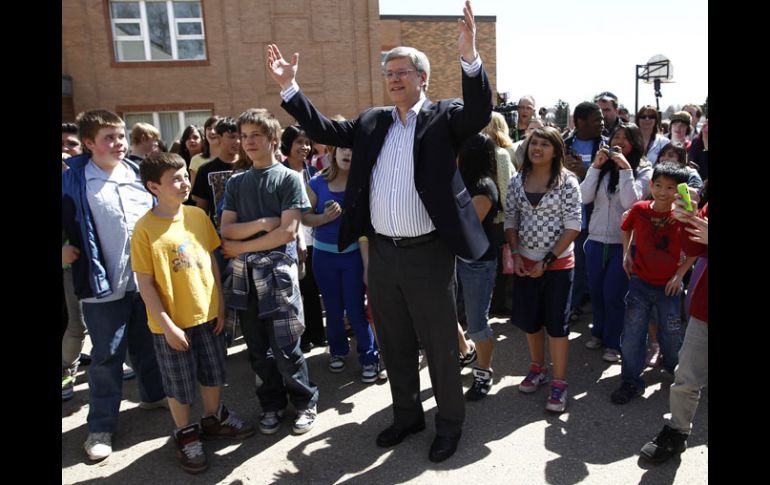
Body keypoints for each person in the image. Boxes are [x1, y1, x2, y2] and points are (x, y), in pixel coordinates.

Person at [266, 0, 491, 462]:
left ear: (422, 78)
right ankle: (407, 416)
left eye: (403, 72)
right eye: (389, 72)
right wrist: (290, 87)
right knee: (394, 341)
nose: (393, 78)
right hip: (383, 252)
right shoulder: (372, 121)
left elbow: (479, 113)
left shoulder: (444, 116)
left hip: (429, 253)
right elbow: (324, 127)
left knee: (441, 345)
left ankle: (449, 424)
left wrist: (469, 57)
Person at [131, 152, 255, 473]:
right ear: (153, 186)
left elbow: (211, 260)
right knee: (179, 383)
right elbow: (145, 283)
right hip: (171, 325)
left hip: (208, 314)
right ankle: (186, 433)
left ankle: (213, 419)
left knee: (214, 372)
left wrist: (220, 303)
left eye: (185, 174)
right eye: (175, 178)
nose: (185, 181)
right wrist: (167, 326)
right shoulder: (144, 229)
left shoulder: (198, 216)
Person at [62, 109, 166, 461]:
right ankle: (101, 426)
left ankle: (154, 395)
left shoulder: (138, 173)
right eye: (109, 137)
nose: (118, 143)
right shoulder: (72, 179)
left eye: (121, 136)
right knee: (107, 356)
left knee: (147, 343)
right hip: (100, 283)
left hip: (144, 281)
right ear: (88, 143)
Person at [220, 108, 319, 436]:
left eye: (256, 135)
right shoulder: (236, 182)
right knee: (258, 350)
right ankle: (271, 404)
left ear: (273, 139)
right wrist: (263, 224)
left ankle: (305, 402)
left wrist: (243, 246)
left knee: (287, 345)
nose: (248, 142)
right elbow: (226, 230)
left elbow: (288, 232)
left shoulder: (289, 178)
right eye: (243, 135)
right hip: (245, 278)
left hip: (278, 277)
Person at [505, 126, 581, 413]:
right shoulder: (516, 180)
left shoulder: (567, 182)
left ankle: (559, 382)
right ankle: (537, 368)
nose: (537, 148)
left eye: (544, 144)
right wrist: (516, 254)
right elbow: (510, 219)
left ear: (555, 150)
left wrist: (546, 261)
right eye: (533, 143)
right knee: (530, 321)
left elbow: (574, 225)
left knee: (557, 326)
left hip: (558, 266)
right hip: (525, 263)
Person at [610, 162, 694, 404]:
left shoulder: (684, 216)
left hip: (669, 286)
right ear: (650, 185)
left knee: (671, 334)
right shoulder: (639, 209)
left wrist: (680, 274)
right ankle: (630, 381)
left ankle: (675, 371)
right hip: (640, 282)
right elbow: (625, 228)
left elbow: (697, 249)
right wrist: (626, 252)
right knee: (633, 335)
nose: (663, 192)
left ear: (681, 191)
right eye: (658, 185)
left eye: (670, 187)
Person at [301, 144, 381, 381]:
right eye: (343, 149)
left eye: (353, 149)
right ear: (333, 153)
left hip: (353, 256)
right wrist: (324, 217)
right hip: (323, 258)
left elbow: (367, 228)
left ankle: (369, 357)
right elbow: (304, 217)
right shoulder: (316, 182)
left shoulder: (362, 184)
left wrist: (367, 266)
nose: (348, 153)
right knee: (333, 309)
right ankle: (337, 351)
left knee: (356, 308)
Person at [640, 199, 708, 463]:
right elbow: (694, 247)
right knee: (686, 375)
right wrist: (687, 220)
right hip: (704, 309)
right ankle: (677, 432)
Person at [580, 123, 652, 363]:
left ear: (635, 143)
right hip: (595, 241)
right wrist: (595, 166)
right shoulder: (602, 167)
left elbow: (631, 201)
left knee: (614, 294)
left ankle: (614, 342)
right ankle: (598, 332)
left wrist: (625, 168)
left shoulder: (643, 170)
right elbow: (584, 196)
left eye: (625, 138)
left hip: (623, 244)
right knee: (598, 292)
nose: (618, 141)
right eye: (615, 137)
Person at [454, 134, 500, 401]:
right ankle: (466, 351)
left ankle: (484, 372)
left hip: (477, 264)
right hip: (457, 259)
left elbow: (465, 226)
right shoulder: (461, 181)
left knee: (477, 323)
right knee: (447, 314)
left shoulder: (484, 188)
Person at [281, 125, 327, 352]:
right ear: (287, 144)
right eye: (299, 142)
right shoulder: (280, 172)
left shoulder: (312, 172)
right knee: (296, 290)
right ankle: (303, 337)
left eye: (307, 143)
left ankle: (318, 334)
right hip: (290, 241)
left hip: (314, 239)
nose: (305, 147)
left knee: (312, 289)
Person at [190, 116, 222, 187]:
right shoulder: (196, 160)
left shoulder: (233, 159)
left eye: (216, 128)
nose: (212, 132)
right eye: (209, 128)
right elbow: (194, 193)